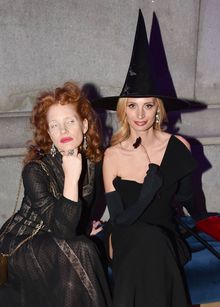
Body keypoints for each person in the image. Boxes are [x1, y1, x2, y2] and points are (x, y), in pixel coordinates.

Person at [94, 10, 204, 307]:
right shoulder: (113, 154)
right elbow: (119, 218)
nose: (140, 115)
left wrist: (200, 215)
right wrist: (149, 191)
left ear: (158, 109)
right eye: (133, 106)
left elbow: (188, 201)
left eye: (148, 106)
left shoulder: (179, 146)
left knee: (154, 242)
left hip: (164, 234)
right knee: (145, 240)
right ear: (123, 110)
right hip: (124, 236)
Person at [0, 81, 112, 307]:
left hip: (58, 242)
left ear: (84, 125)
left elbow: (81, 215)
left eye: (69, 122)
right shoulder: (35, 169)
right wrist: (71, 178)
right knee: (82, 248)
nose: (62, 131)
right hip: (23, 243)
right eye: (54, 125)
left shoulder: (94, 163)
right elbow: (62, 229)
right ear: (48, 132)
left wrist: (83, 227)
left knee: (82, 247)